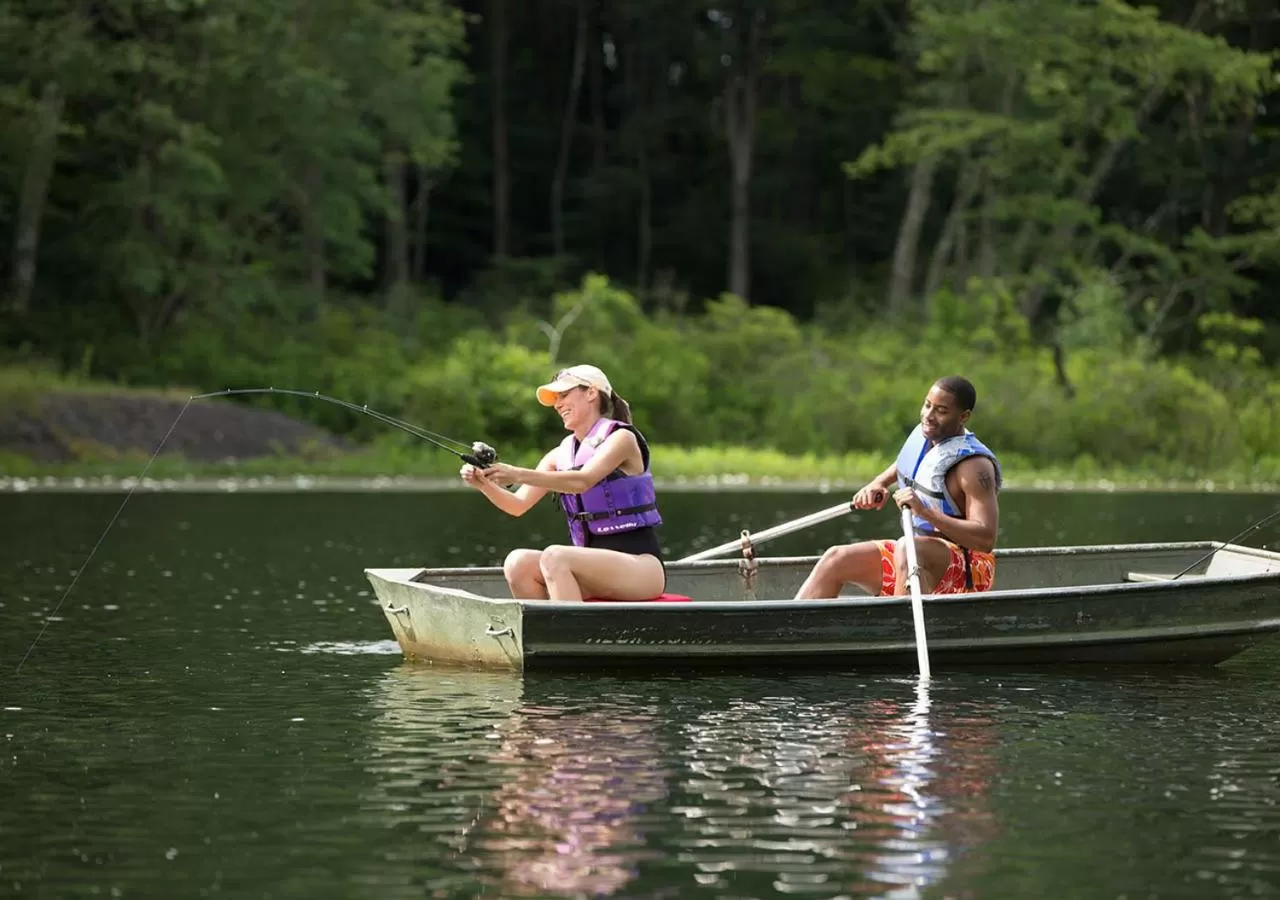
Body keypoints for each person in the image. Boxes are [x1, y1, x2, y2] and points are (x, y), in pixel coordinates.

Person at [460, 364, 666, 601]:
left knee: (555, 556)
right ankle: (545, 635)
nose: (557, 405)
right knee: (518, 563)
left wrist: (516, 473)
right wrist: (484, 485)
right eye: (556, 399)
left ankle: (568, 635)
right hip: (591, 566)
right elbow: (517, 505)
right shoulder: (560, 454)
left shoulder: (622, 438)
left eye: (564, 395)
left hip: (641, 568)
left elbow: (583, 481)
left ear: (590, 393)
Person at [795, 376, 1001, 600]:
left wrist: (924, 512)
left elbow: (985, 539)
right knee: (835, 558)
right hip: (915, 557)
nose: (929, 416)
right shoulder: (928, 437)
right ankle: (787, 631)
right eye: (927, 405)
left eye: (941, 411)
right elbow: (908, 465)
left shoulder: (974, 467)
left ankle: (898, 631)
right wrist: (879, 482)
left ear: (963, 417)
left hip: (969, 570)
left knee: (907, 547)